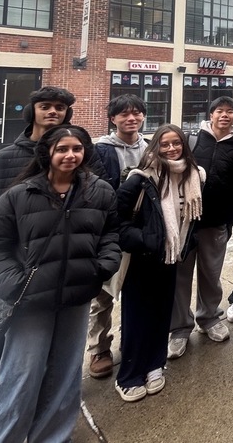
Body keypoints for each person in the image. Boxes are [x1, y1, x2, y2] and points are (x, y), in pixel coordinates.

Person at [0, 125, 120, 442]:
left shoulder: (99, 191)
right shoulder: (21, 194)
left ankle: (52, 436)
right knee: (20, 377)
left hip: (77, 297)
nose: (70, 155)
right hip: (30, 303)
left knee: (65, 376)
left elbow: (110, 234)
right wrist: (17, 285)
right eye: (62, 149)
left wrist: (101, 267)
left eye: (76, 149)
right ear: (47, 153)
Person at [0, 85, 78, 416]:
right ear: (33, 111)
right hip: (18, 265)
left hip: (63, 262)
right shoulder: (5, 158)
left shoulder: (75, 151)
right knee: (5, 330)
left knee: (55, 336)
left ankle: (47, 393)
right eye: (46, 106)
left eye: (59, 107)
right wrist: (3, 248)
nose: (53, 112)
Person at [114, 124, 203, 402]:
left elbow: (192, 218)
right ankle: (128, 375)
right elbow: (116, 221)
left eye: (176, 143)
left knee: (162, 312)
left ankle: (154, 364)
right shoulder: (139, 179)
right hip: (142, 258)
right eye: (165, 144)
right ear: (155, 147)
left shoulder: (194, 176)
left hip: (171, 256)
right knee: (137, 316)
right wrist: (145, 239)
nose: (171, 149)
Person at [169, 97, 233, 358]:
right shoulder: (191, 141)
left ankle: (209, 319)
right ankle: (180, 329)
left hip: (217, 223)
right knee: (180, 277)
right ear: (211, 114)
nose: (225, 116)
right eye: (220, 111)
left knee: (211, 274)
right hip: (184, 222)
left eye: (230, 112)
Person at [88, 94, 148, 380]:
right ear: (113, 118)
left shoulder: (149, 148)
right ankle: (99, 348)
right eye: (124, 114)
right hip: (108, 229)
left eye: (136, 113)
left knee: (136, 289)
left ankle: (132, 338)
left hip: (140, 229)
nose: (131, 118)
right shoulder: (100, 150)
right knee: (103, 293)